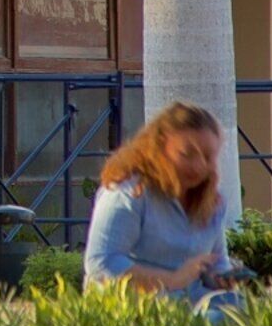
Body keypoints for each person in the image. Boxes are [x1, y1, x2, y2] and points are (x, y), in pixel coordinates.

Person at [83, 101, 245, 307]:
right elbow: (101, 264)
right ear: (159, 146)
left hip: (196, 304)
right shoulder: (129, 193)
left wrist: (223, 278)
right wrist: (172, 280)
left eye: (207, 157)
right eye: (187, 154)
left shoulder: (213, 201)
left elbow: (216, 261)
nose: (198, 166)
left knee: (253, 311)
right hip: (139, 308)